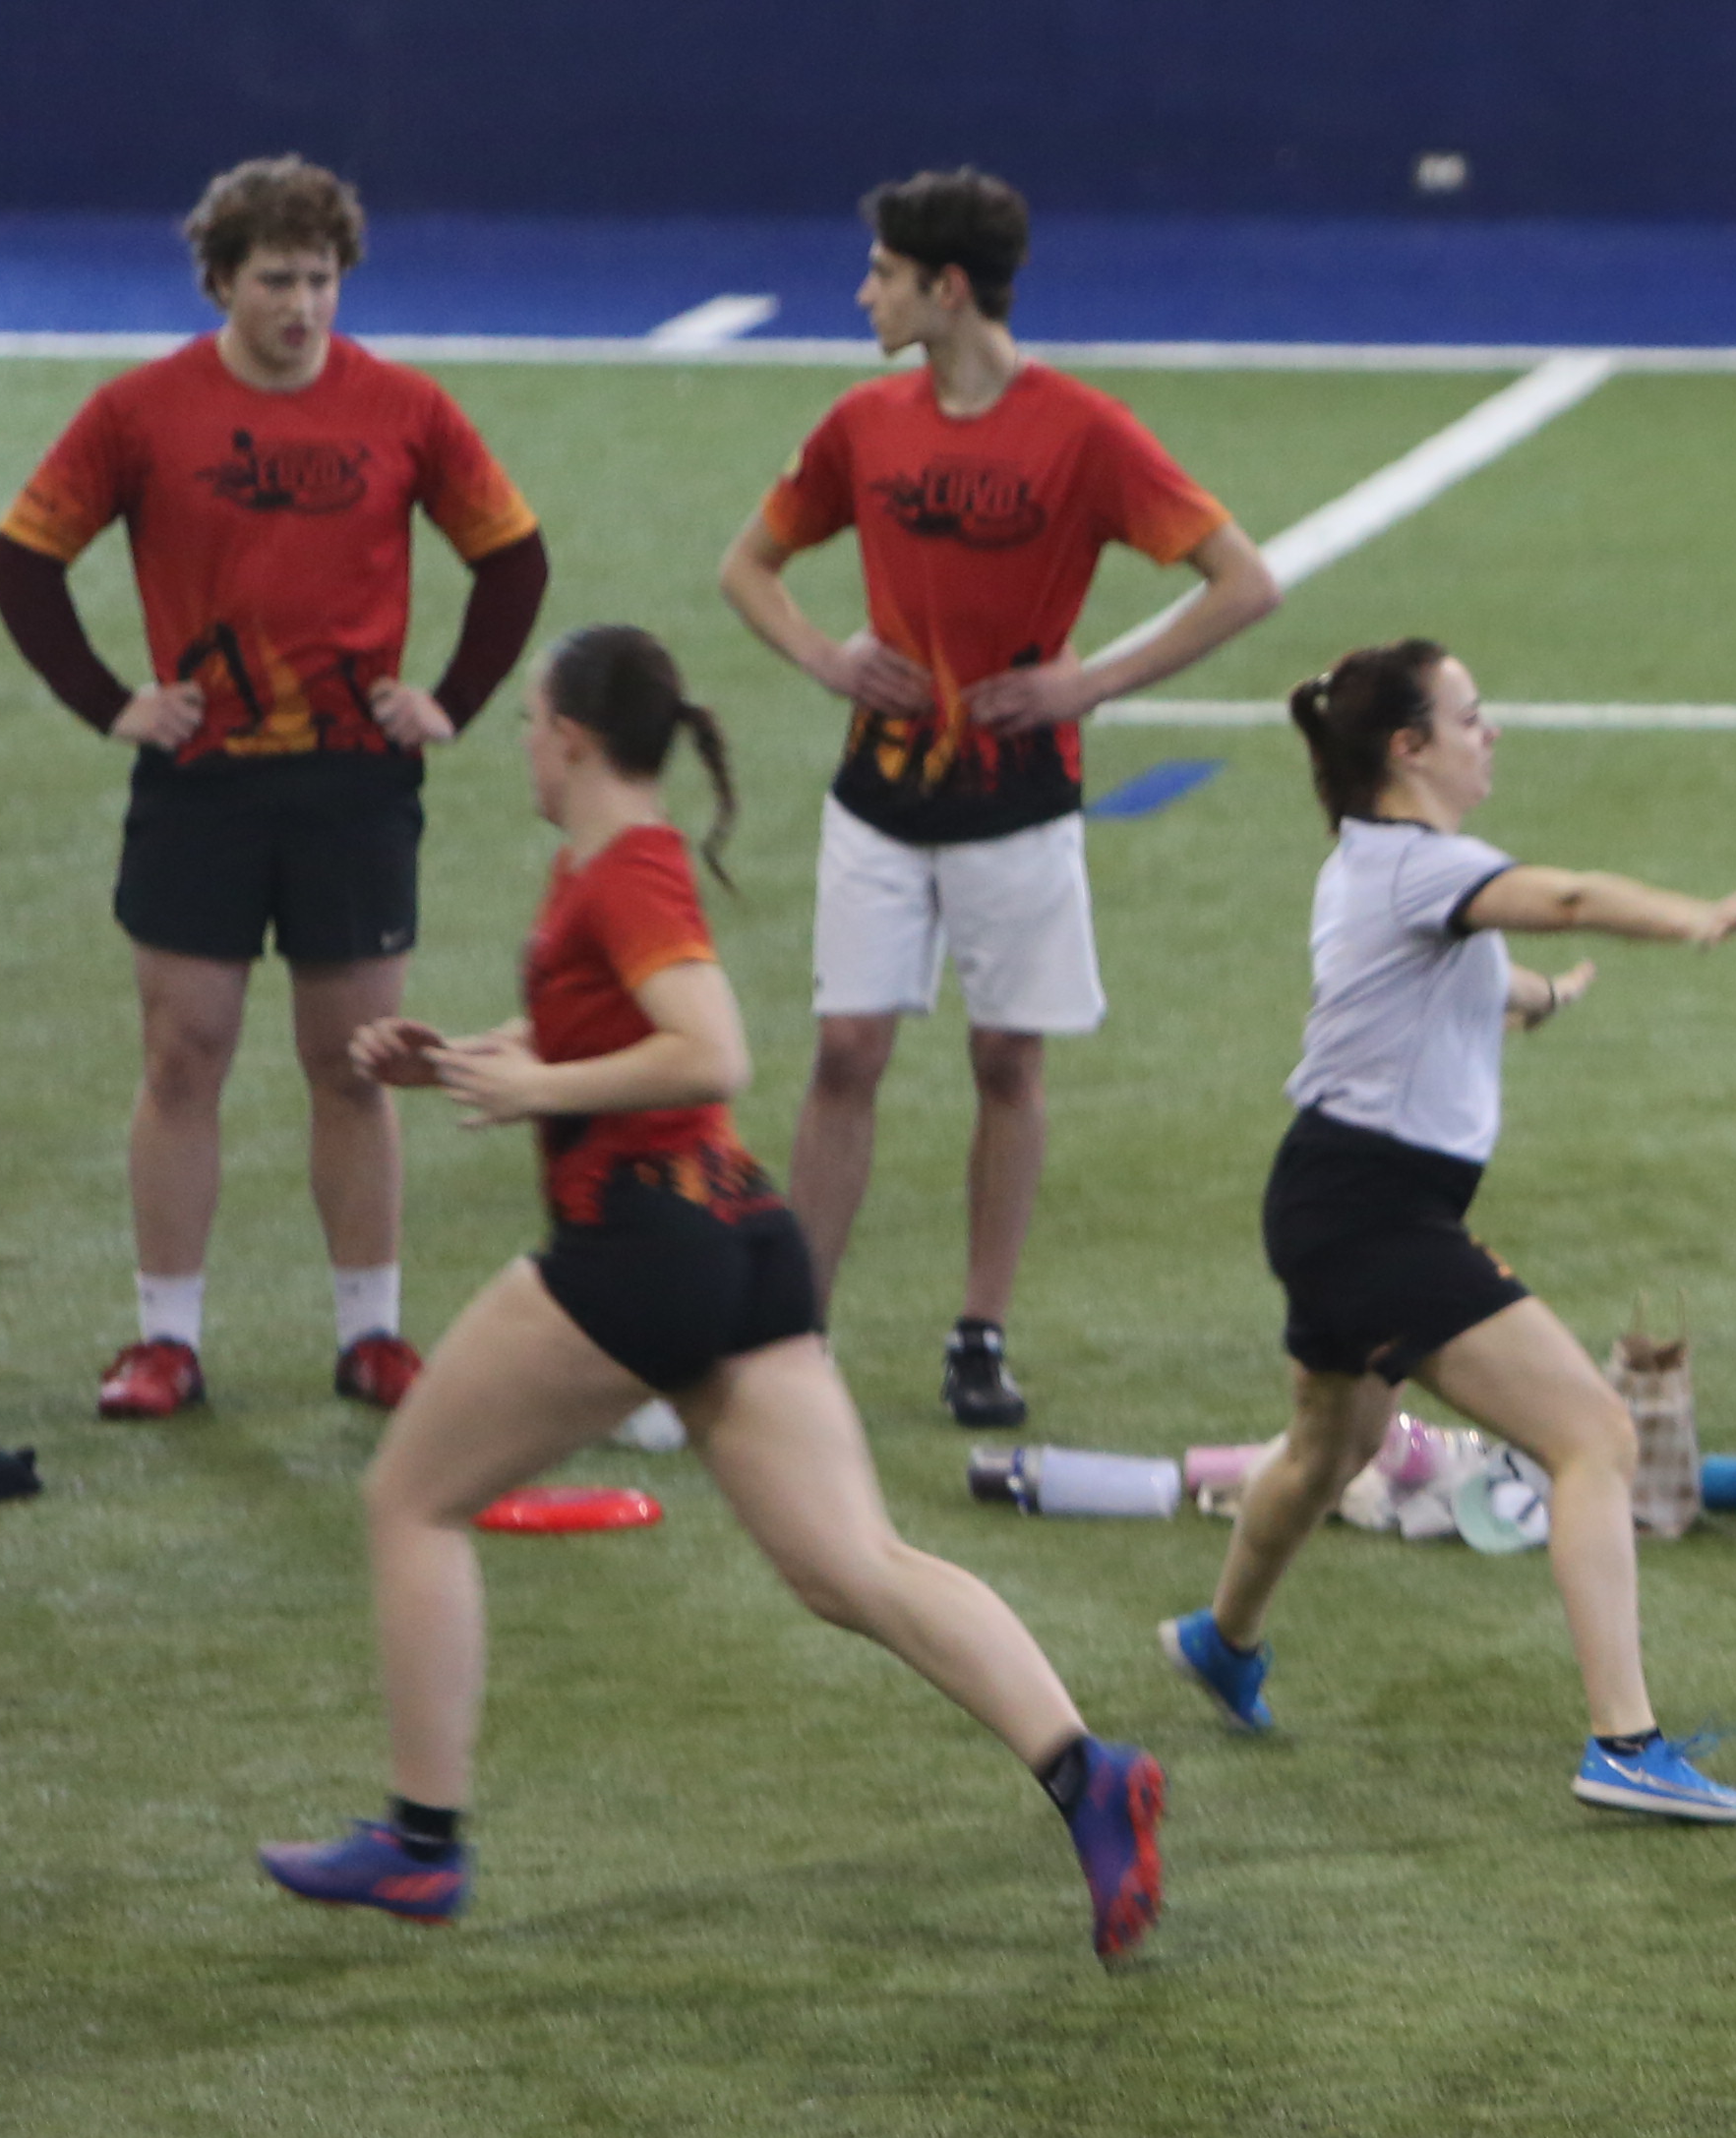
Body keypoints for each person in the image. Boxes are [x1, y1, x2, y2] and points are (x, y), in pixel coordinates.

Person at [256, 626, 1163, 1958]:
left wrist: (539, 1089)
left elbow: (709, 1051)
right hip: (742, 1239)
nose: (524, 747)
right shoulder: (621, 864)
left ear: (572, 738)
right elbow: (611, 1029)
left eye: (530, 725)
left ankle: (421, 1844)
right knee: (851, 1568)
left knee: (410, 1498)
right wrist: (458, 1061)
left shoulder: (624, 872)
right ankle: (1090, 1775)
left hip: (642, 1246)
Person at [1161, 641, 1736, 1824]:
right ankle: (1626, 1745)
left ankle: (1220, 1638)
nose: (1489, 732)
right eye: (1469, 716)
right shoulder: (1422, 865)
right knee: (1592, 1436)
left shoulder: (1376, 863)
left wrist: (1545, 996)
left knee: (1332, 1446)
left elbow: (1462, 970)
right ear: (1409, 748)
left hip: (1330, 1201)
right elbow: (1564, 897)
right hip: (1374, 1216)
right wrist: (1694, 917)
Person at [715, 169, 1282, 1427]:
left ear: (948, 288)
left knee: (1005, 1060)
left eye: (882, 275)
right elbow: (747, 566)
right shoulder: (861, 424)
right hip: (877, 796)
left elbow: (1244, 581)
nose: (863, 295)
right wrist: (825, 658)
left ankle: (979, 1333)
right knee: (847, 1050)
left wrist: (1094, 683)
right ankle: (794, 1333)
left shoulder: (1085, 433)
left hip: (1019, 801)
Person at [0, 156, 551, 1420]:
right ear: (221, 281)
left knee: (352, 1064)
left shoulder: (405, 408)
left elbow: (513, 558)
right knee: (183, 1054)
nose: (303, 307)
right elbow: (22, 562)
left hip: (356, 786)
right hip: (199, 785)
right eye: (277, 281)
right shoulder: (141, 412)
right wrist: (114, 704)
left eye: (321, 280)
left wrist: (449, 700)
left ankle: (372, 1336)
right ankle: (165, 1342)